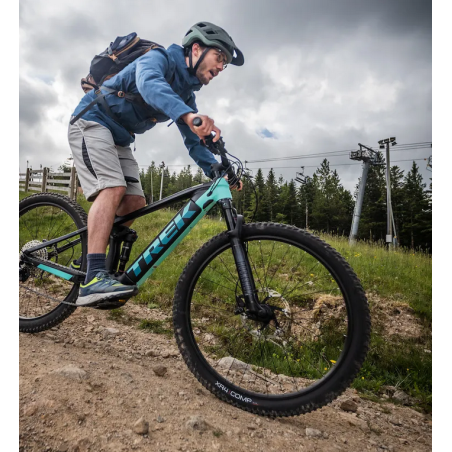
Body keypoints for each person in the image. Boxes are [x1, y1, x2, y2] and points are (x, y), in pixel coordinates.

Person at [68, 22, 244, 307]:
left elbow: (193, 142)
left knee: (134, 203)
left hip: (119, 137)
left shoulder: (186, 94)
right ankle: (93, 277)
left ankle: (97, 261)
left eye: (224, 63)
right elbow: (150, 84)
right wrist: (188, 116)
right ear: (196, 49)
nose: (221, 67)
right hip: (92, 120)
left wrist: (216, 168)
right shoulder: (158, 58)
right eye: (219, 57)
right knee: (113, 188)